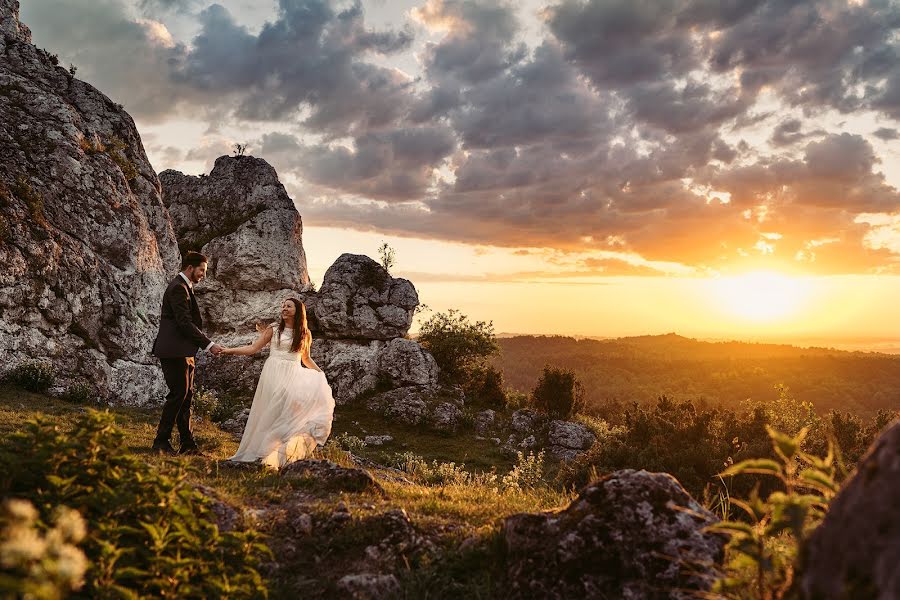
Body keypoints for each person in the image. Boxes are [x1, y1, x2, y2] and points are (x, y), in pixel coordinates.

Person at [223, 298, 335, 469]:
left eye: (288, 306)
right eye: (283, 305)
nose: (284, 308)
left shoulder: (305, 333)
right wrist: (229, 351)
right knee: (269, 410)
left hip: (293, 373)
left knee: (288, 412)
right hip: (273, 372)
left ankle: (276, 454)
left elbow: (306, 358)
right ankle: (258, 452)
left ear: (298, 311)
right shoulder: (274, 329)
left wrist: (321, 375)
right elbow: (254, 348)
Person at [150, 251, 223, 456]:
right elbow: (184, 323)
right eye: (202, 270)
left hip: (183, 351)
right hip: (174, 351)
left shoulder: (184, 287)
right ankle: (160, 442)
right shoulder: (178, 288)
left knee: (186, 396)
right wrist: (208, 344)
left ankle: (188, 445)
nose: (203, 275)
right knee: (178, 396)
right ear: (190, 268)